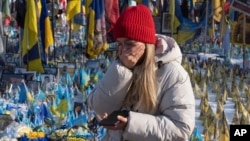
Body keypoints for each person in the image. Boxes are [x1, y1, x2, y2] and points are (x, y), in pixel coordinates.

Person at [87, 4, 195, 141]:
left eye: (129, 44)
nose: (122, 50)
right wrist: (121, 73)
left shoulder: (173, 74)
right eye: (119, 44)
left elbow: (180, 128)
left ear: (147, 44)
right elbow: (100, 108)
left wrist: (132, 124)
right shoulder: (120, 68)